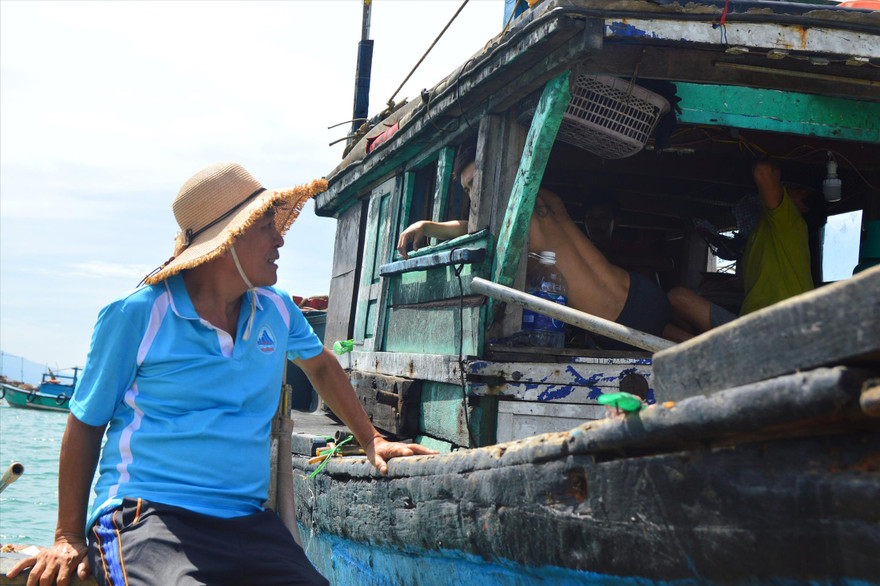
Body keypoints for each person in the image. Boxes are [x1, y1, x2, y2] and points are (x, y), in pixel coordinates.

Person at [8, 162, 437, 586]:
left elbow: (321, 365)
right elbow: (85, 423)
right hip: (146, 515)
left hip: (247, 521)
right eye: (266, 226)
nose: (280, 239)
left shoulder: (276, 308)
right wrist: (66, 535)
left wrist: (372, 440)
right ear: (226, 240)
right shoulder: (138, 314)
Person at [397, 146, 674, 350]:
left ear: (493, 175)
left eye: (473, 185)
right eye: (467, 190)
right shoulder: (547, 198)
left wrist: (428, 226)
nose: (472, 195)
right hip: (643, 293)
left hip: (618, 324)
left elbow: (472, 229)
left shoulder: (510, 216)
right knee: (690, 342)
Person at [667, 160, 815, 337]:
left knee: (676, 298)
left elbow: (763, 170)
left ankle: (703, 355)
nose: (785, 189)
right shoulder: (762, 234)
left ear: (803, 207)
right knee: (666, 329)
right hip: (754, 328)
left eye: (796, 190)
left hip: (771, 328)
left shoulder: (790, 220)